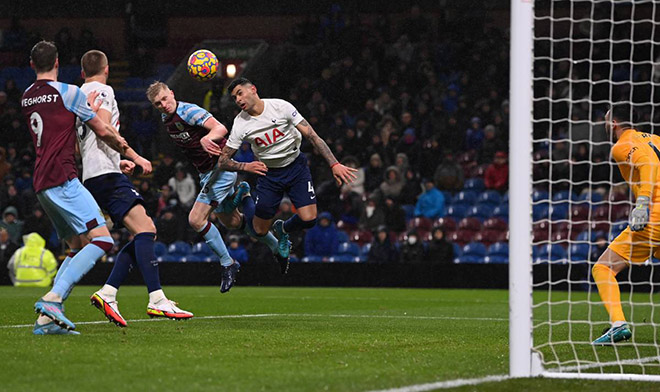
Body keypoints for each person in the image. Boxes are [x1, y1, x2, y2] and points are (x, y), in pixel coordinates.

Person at [77, 50, 192, 327]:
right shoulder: (101, 90)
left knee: (143, 231)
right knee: (146, 230)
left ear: (82, 72)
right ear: (106, 69)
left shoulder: (77, 95)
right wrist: (134, 156)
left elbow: (79, 144)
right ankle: (156, 299)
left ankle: (109, 293)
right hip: (104, 174)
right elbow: (103, 128)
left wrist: (116, 161)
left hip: (95, 173)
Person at [21, 41, 129, 335]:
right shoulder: (69, 92)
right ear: (57, 63)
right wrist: (132, 155)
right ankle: (53, 300)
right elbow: (102, 129)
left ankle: (46, 322)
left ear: (32, 65)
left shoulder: (27, 96)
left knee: (76, 246)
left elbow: (58, 126)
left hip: (42, 181)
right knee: (103, 240)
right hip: (64, 178)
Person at [146, 81, 287, 292]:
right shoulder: (166, 117)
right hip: (206, 173)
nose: (163, 105)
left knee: (195, 219)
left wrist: (208, 138)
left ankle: (228, 263)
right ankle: (275, 244)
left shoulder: (188, 111)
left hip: (221, 169)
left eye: (165, 99)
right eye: (158, 103)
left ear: (172, 94)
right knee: (233, 222)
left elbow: (220, 128)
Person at [217, 77, 356, 260]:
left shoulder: (281, 107)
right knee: (259, 230)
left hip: (296, 167)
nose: (238, 100)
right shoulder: (240, 124)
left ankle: (282, 228)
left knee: (309, 219)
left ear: (253, 89)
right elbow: (222, 161)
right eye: (235, 98)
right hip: (269, 174)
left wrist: (334, 163)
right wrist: (245, 166)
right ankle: (245, 197)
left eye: (240, 93)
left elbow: (312, 136)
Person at [590, 103, 659, 345]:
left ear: (615, 123)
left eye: (606, 120)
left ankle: (618, 324)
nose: (605, 124)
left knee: (602, 268)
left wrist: (642, 204)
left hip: (654, 216)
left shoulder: (620, 147)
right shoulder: (655, 139)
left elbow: (648, 166)